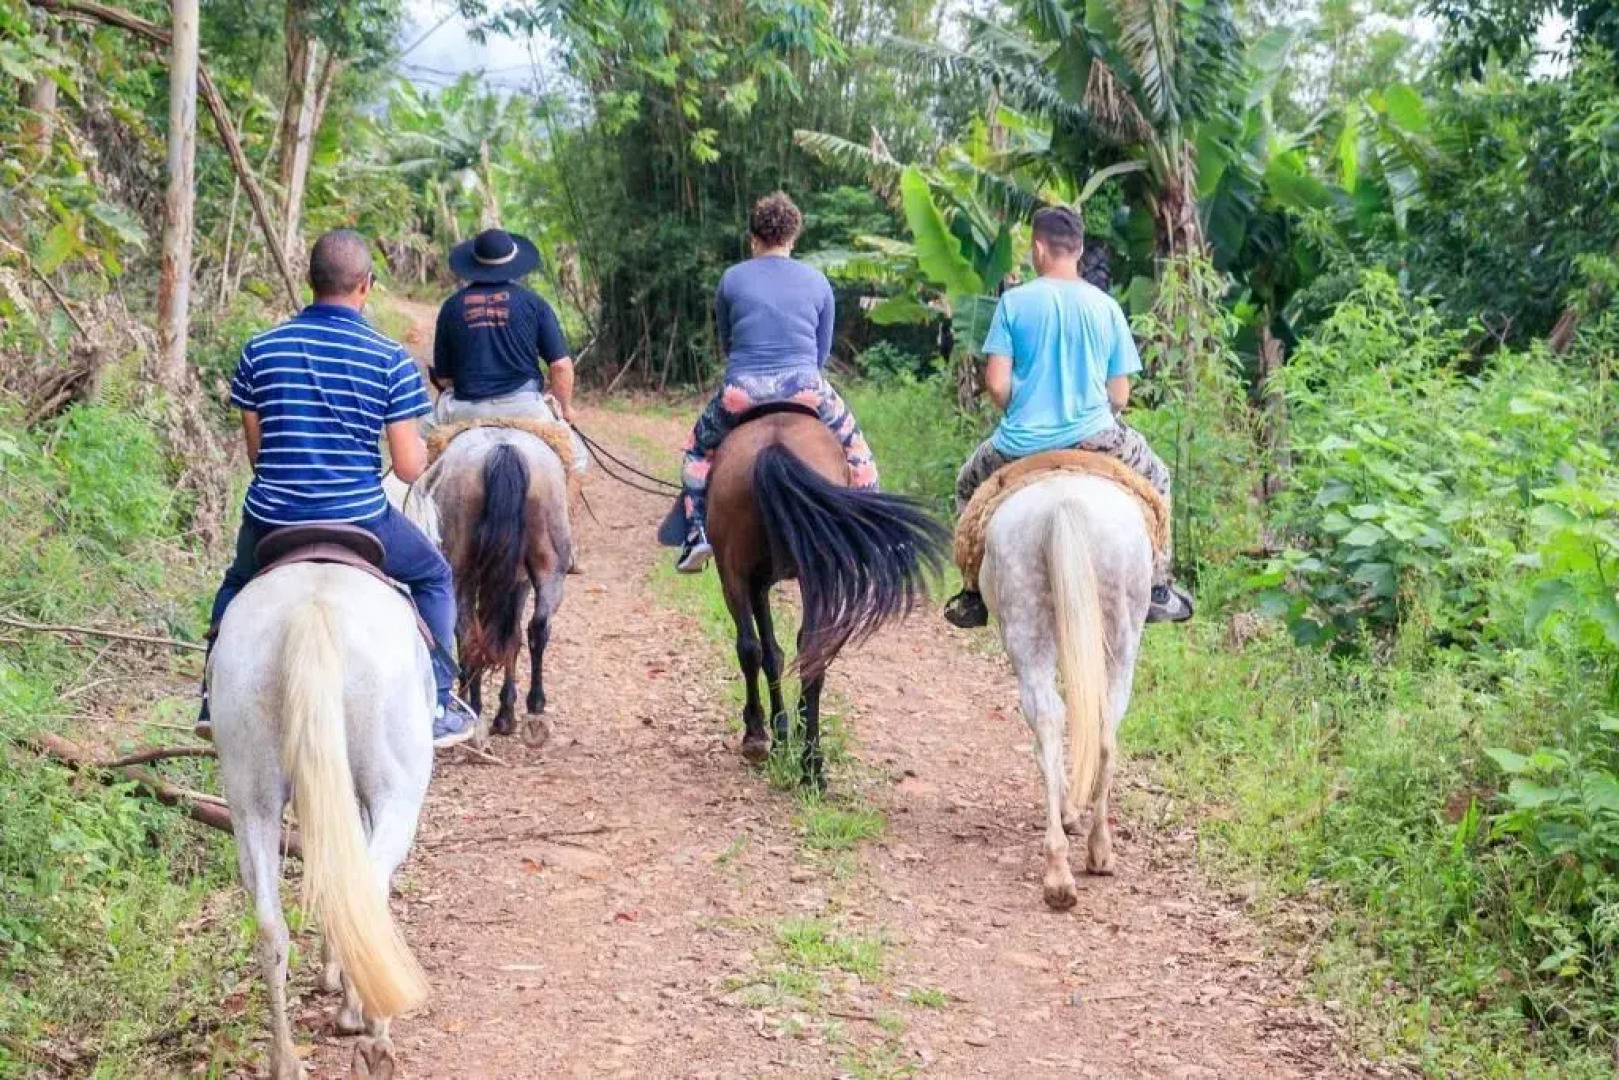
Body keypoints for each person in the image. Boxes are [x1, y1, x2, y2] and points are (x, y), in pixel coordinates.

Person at [199, 229, 478, 747]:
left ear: (310, 281)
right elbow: (410, 467)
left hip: (271, 519)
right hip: (359, 516)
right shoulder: (390, 359)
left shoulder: (260, 349)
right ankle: (439, 699)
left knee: (236, 584)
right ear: (365, 286)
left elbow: (258, 454)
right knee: (436, 577)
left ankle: (210, 700)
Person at [943, 206, 1195, 629]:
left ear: (1038, 248)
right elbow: (1120, 393)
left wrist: (1025, 410)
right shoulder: (1105, 306)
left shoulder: (1013, 302)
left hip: (1020, 444)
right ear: (1077, 250)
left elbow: (998, 385)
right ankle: (1157, 585)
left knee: (968, 485)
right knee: (1159, 479)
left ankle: (971, 592)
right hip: (1097, 438)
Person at [675, 191, 879, 572]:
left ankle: (696, 536)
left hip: (743, 390)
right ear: (793, 238)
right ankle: (867, 539)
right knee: (858, 452)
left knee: (697, 452)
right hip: (805, 386)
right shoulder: (817, 281)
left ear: (754, 239)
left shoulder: (731, 278)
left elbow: (727, 342)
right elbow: (820, 353)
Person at [430, 228, 583, 470]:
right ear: (513, 262)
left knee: (419, 452)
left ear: (473, 263)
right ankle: (565, 510)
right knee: (577, 459)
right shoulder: (535, 304)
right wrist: (565, 409)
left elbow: (444, 378)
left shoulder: (451, 307)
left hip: (465, 410)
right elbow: (561, 366)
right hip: (526, 408)